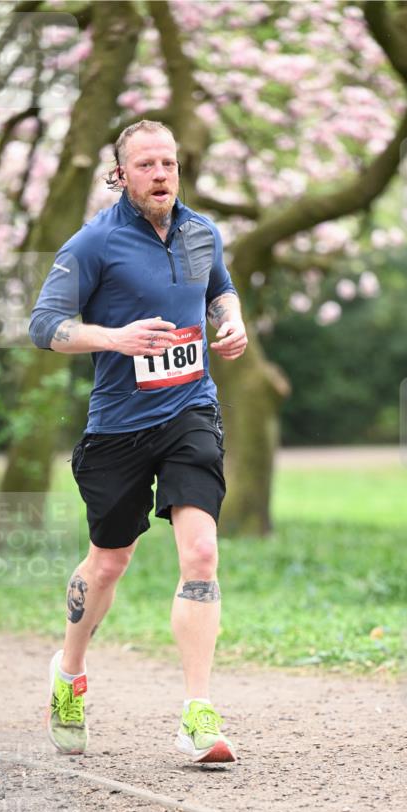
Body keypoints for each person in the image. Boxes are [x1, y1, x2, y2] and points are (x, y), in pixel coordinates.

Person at [29, 120, 247, 764]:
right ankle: (69, 675)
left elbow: (220, 292)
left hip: (190, 411)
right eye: (147, 164)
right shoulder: (94, 243)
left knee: (201, 552)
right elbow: (45, 326)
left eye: (170, 163)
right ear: (120, 173)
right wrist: (114, 338)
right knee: (109, 562)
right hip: (119, 427)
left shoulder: (199, 232)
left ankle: (198, 715)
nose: (161, 174)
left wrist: (230, 324)